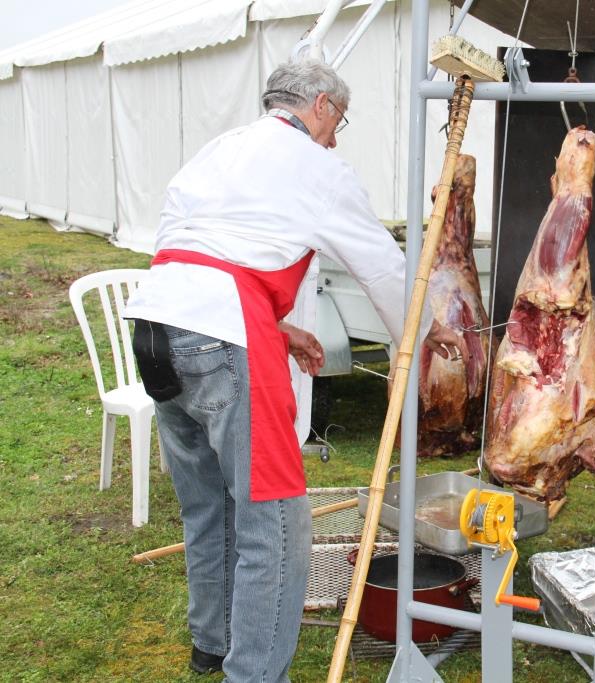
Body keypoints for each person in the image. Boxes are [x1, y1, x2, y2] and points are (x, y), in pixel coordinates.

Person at [124, 60, 460, 681]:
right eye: (340, 123)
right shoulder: (318, 166)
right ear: (324, 106)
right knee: (275, 525)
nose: (337, 137)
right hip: (224, 336)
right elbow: (381, 264)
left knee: (209, 508)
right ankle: (253, 673)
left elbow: (196, 246)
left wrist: (278, 329)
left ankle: (213, 643)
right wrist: (422, 327)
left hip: (154, 326)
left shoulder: (221, 148)